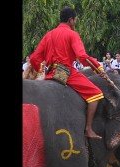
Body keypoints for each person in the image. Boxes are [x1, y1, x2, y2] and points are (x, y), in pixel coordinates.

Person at [29, 7, 105, 140]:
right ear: (71, 20)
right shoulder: (72, 34)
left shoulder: (48, 35)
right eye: (75, 19)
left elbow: (35, 58)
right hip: (64, 72)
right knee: (96, 94)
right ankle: (89, 129)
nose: (75, 21)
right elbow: (81, 56)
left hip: (50, 73)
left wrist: (40, 70)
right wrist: (98, 68)